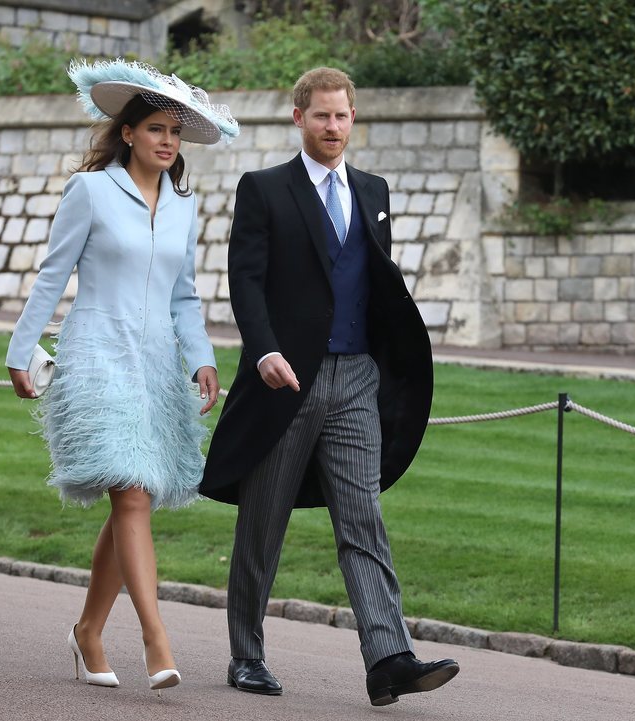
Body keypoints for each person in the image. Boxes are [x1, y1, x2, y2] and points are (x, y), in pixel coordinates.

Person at [200, 67, 459, 706]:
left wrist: (387, 364)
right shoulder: (264, 189)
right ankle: (247, 654)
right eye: (321, 116)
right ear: (299, 118)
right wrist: (262, 351)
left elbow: (370, 286)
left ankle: (388, 658)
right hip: (284, 381)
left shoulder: (374, 191)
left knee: (362, 517)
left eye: (342, 116)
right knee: (264, 521)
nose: (333, 127)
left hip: (355, 382)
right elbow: (246, 280)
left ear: (353, 118)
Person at [6, 59, 238, 692]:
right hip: (96, 355)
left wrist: (203, 357)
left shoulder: (185, 206)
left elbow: (185, 295)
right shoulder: (91, 191)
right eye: (157, 128)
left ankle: (87, 631)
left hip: (159, 364)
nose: (168, 141)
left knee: (134, 498)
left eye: (175, 133)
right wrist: (20, 349)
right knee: (131, 493)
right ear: (128, 132)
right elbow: (53, 275)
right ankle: (155, 637)